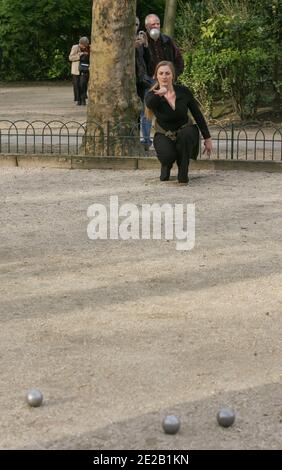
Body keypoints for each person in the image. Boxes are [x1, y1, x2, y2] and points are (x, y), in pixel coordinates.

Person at [145, 61, 212, 185]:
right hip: (164, 133)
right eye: (161, 73)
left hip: (185, 130)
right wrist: (160, 94)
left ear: (173, 76)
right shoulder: (152, 95)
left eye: (167, 73)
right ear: (156, 76)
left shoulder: (183, 92)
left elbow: (197, 114)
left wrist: (207, 138)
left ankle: (183, 172)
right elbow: (149, 104)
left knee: (186, 135)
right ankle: (166, 165)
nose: (164, 76)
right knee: (167, 156)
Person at [140, 14, 185, 151]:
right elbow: (139, 63)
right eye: (152, 25)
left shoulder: (167, 40)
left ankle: (172, 137)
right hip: (149, 82)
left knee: (172, 108)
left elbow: (178, 60)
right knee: (146, 110)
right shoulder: (142, 41)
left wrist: (172, 77)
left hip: (167, 81)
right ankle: (146, 141)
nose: (155, 27)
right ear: (147, 26)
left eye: (157, 24)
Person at [69, 36, 90, 106]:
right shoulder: (75, 47)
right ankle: (79, 100)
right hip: (76, 69)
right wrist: (80, 55)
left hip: (85, 69)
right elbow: (70, 58)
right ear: (81, 44)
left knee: (83, 84)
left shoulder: (89, 48)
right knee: (76, 85)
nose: (85, 47)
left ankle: (83, 99)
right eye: (84, 45)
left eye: (86, 45)